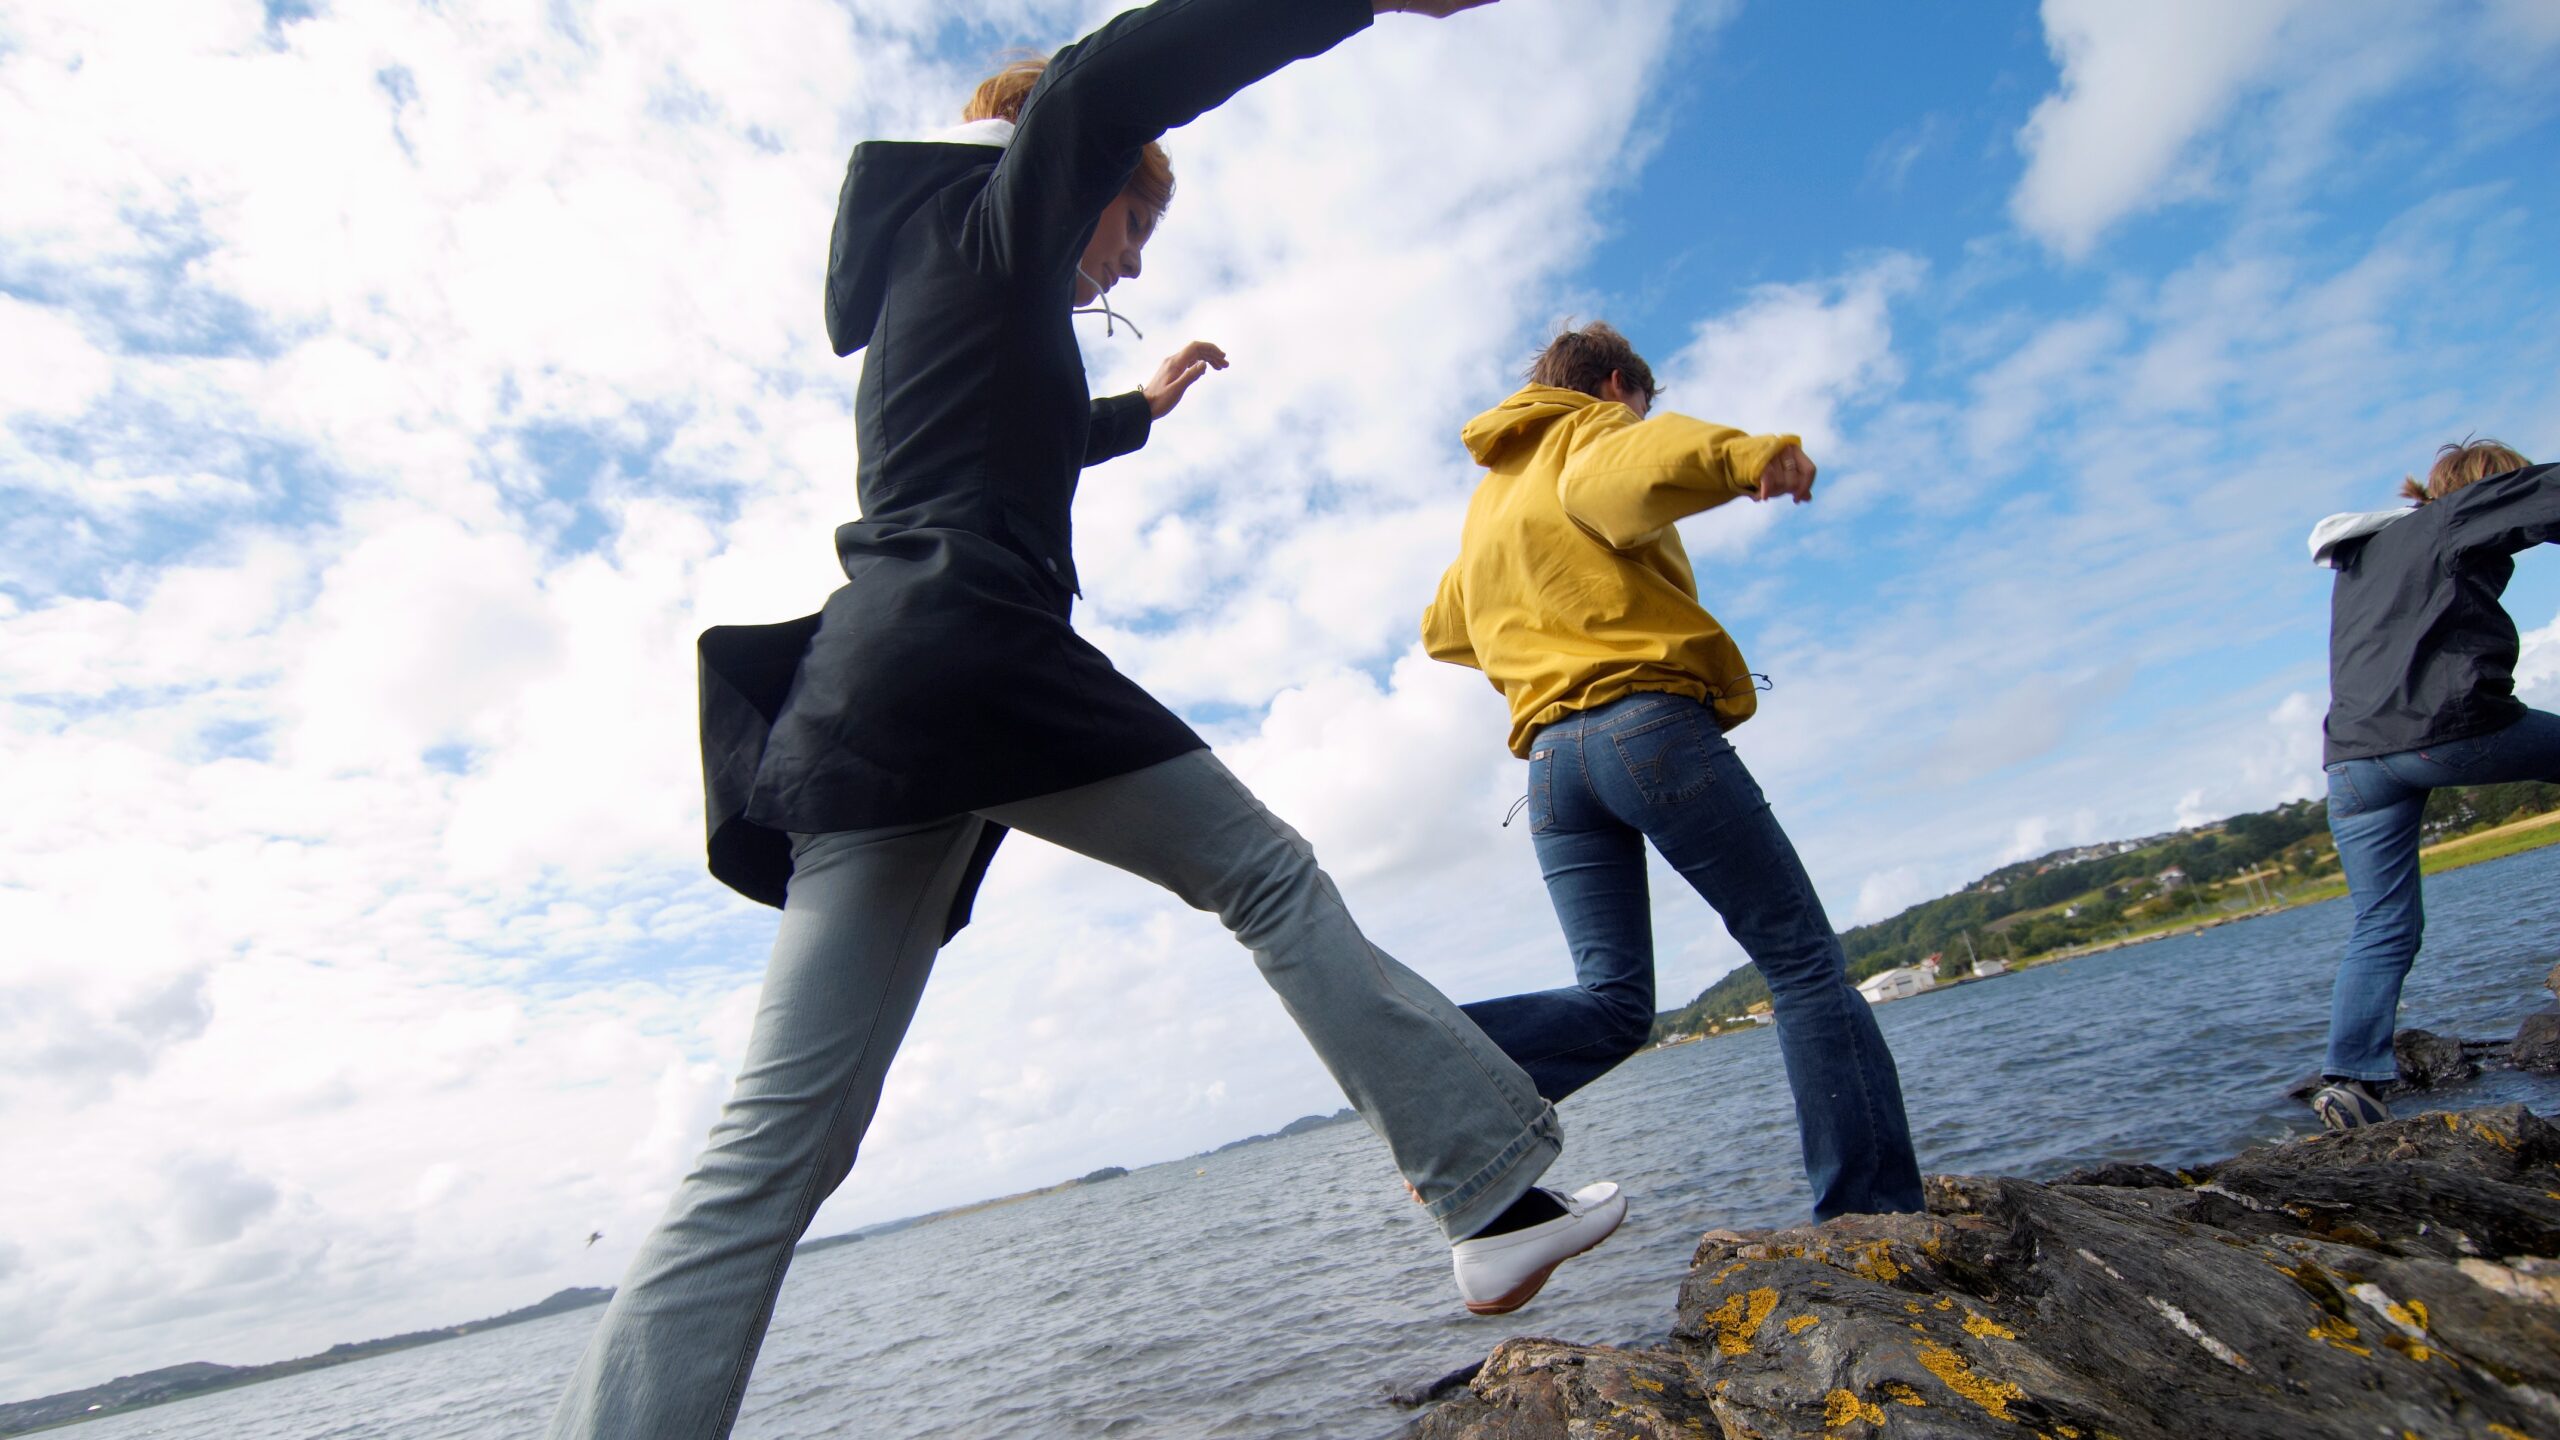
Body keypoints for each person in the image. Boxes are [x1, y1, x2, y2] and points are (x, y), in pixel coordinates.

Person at [549, 5, 1626, 1435]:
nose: (1126, 262)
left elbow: (1011, 437)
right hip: (971, 661)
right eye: (1132, 227)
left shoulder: (946, 287)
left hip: (870, 717)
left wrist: (1144, 405)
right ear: (1088, 175)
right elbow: (1116, 69)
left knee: (772, 1151)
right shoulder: (993, 217)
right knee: (1264, 873)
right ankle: (1491, 1198)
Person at [1420, 322, 1925, 1221]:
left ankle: (1427, 1078)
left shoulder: (1491, 502)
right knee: (1803, 964)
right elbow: (1643, 463)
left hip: (1551, 770)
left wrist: (1537, 633)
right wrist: (1751, 457)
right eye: (1636, 405)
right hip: (1645, 731)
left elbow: (1445, 629)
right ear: (1617, 386)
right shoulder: (1590, 433)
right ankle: (1871, 1221)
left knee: (1614, 1003)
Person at [2306, 437, 2550, 1130]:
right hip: (2444, 731)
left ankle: (2349, 1081)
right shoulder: (2455, 517)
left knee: (2383, 925)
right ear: (2489, 490)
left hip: (2353, 762)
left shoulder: (2363, 555)